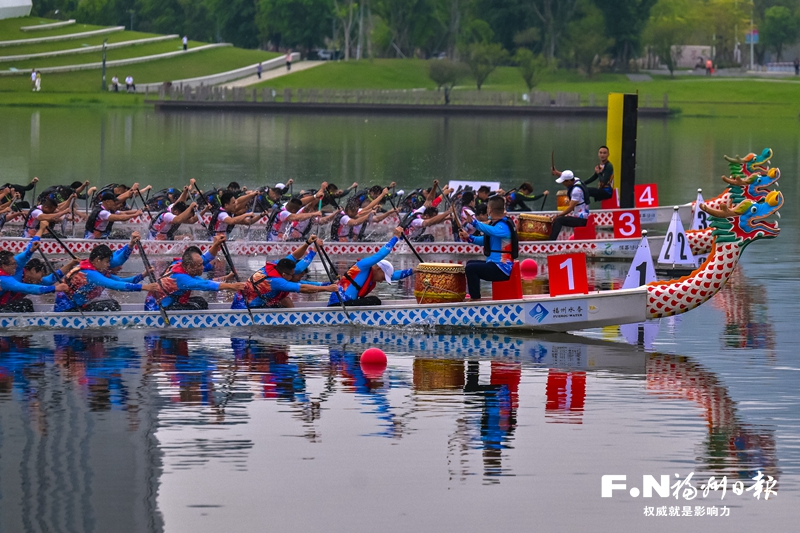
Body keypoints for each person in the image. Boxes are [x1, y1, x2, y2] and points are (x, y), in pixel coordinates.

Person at [233, 236, 338, 309]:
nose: (294, 276)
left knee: (285, 299)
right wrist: (327, 289)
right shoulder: (276, 282)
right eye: (292, 275)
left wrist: (308, 244)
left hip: (244, 299)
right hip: (245, 307)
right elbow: (303, 288)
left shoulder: (277, 265)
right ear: (284, 275)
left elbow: (295, 257)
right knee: (285, 299)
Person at [145, 237, 245, 311]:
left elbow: (206, 258)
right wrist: (232, 286)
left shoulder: (180, 264)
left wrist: (216, 245)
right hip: (156, 308)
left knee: (200, 301)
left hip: (164, 302)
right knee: (198, 306)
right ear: (189, 267)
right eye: (200, 265)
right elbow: (205, 285)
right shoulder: (181, 279)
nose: (203, 267)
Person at [55, 243, 160, 312]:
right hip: (68, 309)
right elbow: (115, 285)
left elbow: (121, 281)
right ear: (97, 260)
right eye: (107, 262)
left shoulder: (96, 269)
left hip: (78, 307)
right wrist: (144, 287)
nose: (109, 265)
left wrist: (143, 275)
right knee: (112, 306)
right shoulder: (89, 274)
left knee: (111, 303)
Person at [329, 227, 413, 306]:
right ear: (379, 269)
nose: (380, 281)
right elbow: (381, 254)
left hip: (346, 303)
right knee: (375, 300)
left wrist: (414, 270)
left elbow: (394, 276)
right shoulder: (363, 266)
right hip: (339, 303)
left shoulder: (371, 274)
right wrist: (395, 237)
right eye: (383, 278)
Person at [458, 196, 518, 301]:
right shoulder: (498, 224)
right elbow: (486, 241)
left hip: (502, 268)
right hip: (495, 265)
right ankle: (471, 295)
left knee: (471, 269)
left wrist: (474, 222)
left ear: (489, 209)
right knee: (470, 264)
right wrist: (469, 238)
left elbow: (492, 231)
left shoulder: (504, 226)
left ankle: (475, 299)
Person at [0, 250, 68, 313]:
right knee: (26, 303)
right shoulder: (4, 278)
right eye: (41, 275)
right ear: (33, 270)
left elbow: (50, 279)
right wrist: (54, 288)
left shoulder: (30, 279)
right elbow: (27, 288)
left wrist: (71, 264)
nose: (41, 279)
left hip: (4, 305)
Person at [549, 170, 590, 241]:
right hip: (583, 216)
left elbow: (571, 208)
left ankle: (551, 242)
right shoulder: (576, 180)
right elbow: (568, 176)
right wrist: (558, 173)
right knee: (560, 219)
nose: (562, 183)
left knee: (559, 220)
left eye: (564, 182)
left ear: (568, 181)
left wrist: (558, 215)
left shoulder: (576, 191)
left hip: (582, 220)